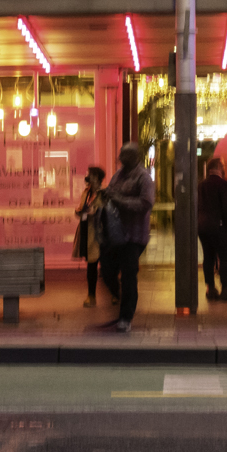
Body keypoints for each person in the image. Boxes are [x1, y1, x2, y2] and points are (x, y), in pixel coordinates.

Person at [97, 142, 155, 332]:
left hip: (134, 236)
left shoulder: (144, 178)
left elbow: (145, 204)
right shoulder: (117, 175)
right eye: (121, 154)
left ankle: (126, 317)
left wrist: (118, 199)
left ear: (135, 156)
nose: (121, 158)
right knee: (106, 270)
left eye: (125, 155)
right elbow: (112, 196)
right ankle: (120, 296)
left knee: (129, 276)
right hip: (115, 235)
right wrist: (106, 195)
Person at [198, 155, 227, 302]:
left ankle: (210, 289)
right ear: (219, 168)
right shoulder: (224, 184)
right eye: (223, 167)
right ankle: (225, 289)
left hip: (203, 227)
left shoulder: (201, 185)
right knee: (225, 258)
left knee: (208, 258)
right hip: (219, 227)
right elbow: (226, 208)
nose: (224, 169)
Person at [74, 165, 107, 308]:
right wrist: (79, 211)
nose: (88, 177)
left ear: (98, 178)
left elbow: (109, 211)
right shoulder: (86, 193)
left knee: (107, 267)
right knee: (91, 266)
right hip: (87, 232)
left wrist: (97, 211)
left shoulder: (104, 193)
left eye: (91, 175)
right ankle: (91, 295)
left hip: (101, 233)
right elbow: (82, 209)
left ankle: (114, 294)